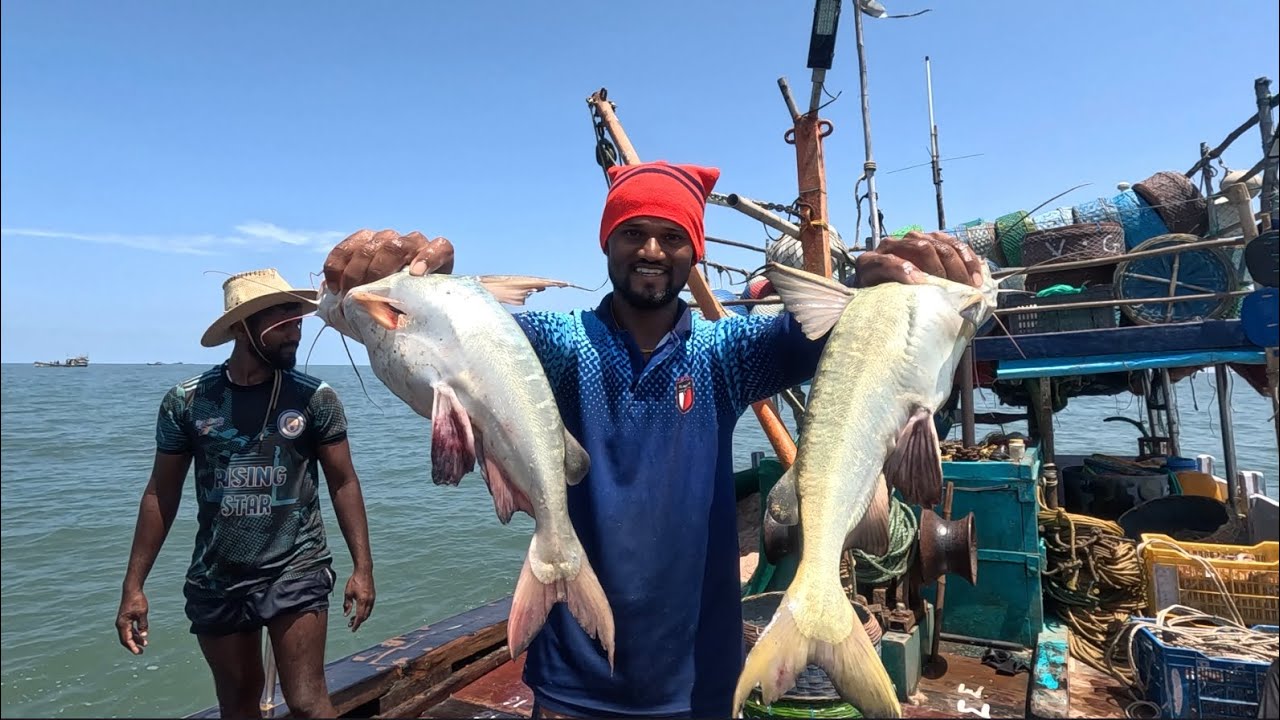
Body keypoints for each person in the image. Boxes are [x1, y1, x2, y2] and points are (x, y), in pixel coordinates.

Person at [322, 161, 984, 718]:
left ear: (695, 251)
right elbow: (471, 346)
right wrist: (379, 295)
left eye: (672, 236)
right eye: (632, 232)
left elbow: (846, 342)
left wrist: (909, 291)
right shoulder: (561, 345)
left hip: (699, 677)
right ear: (606, 242)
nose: (651, 251)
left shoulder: (725, 353)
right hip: (576, 676)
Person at [115, 268, 377, 719]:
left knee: (307, 701)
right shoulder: (188, 401)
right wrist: (133, 586)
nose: (295, 333)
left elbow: (343, 481)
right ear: (241, 327)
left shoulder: (315, 398)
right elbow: (161, 493)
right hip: (218, 576)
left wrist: (363, 569)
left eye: (298, 321)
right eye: (283, 322)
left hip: (297, 567)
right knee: (238, 703)